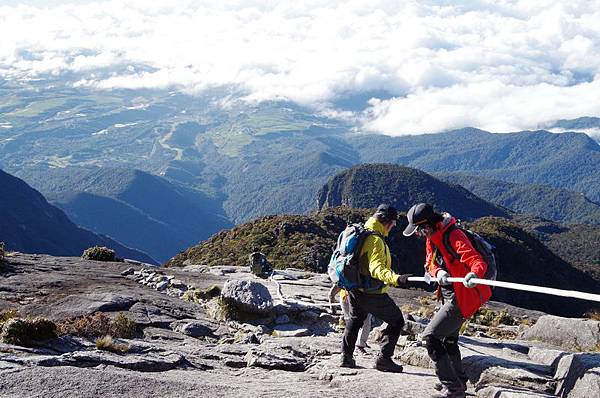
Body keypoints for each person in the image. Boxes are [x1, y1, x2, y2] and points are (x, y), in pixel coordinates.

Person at [403, 203, 492, 398]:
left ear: (428, 224)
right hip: (447, 294)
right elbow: (429, 262)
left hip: (461, 297)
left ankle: (453, 388)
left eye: (419, 229)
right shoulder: (432, 236)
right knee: (450, 340)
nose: (418, 233)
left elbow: (476, 260)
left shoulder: (453, 235)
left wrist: (474, 275)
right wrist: (438, 271)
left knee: (431, 337)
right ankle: (458, 380)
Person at [340, 204, 412, 372]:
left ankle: (346, 356)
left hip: (355, 287)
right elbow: (376, 268)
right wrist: (396, 278)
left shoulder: (361, 232)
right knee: (397, 321)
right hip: (372, 292)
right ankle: (384, 359)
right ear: (386, 221)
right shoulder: (375, 240)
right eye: (393, 222)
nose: (394, 225)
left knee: (355, 319)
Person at [329, 284, 372, 354]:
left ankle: (358, 345)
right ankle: (355, 347)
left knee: (363, 322)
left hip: (361, 297)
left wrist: (331, 297)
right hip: (349, 297)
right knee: (359, 322)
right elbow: (338, 283)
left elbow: (335, 288)